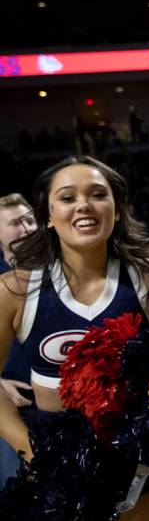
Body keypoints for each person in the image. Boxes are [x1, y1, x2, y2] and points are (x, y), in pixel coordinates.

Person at [0, 157, 149, 521]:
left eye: (98, 194)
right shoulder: (15, 290)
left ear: (117, 209)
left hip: (138, 455)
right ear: (47, 215)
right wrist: (31, 450)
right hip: (58, 458)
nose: (84, 205)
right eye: (67, 197)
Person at [0, 193, 35, 489]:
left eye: (30, 220)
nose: (26, 229)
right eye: (15, 223)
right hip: (14, 413)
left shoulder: (60, 271)